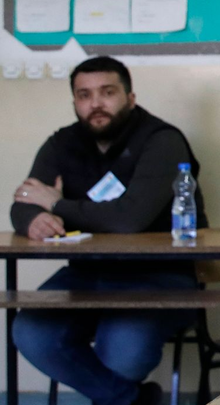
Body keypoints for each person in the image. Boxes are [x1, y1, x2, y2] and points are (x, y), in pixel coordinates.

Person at [10, 56, 208, 405]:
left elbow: (129, 219)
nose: (95, 104)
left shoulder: (162, 141)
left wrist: (57, 206)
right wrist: (31, 219)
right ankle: (132, 400)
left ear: (130, 98)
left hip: (159, 276)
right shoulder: (62, 143)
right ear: (75, 103)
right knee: (31, 331)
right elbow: (25, 199)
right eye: (84, 95)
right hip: (86, 274)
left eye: (107, 92)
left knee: (122, 349)